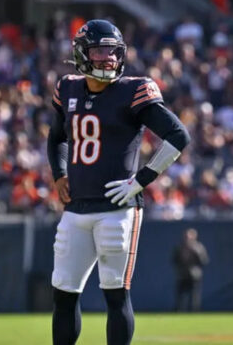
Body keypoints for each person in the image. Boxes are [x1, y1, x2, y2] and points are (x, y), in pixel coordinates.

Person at [48, 19, 191, 345]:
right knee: (64, 294)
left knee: (115, 294)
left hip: (118, 208)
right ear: (83, 53)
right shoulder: (67, 87)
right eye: (100, 50)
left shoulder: (133, 90)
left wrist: (142, 179)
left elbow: (178, 135)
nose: (108, 58)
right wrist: (59, 174)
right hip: (76, 207)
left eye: (113, 51)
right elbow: (56, 137)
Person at [172, 228, 209, 312]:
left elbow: (204, 261)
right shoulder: (180, 248)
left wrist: (196, 254)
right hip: (183, 275)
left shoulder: (198, 248)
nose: (188, 239)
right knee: (180, 295)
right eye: (186, 236)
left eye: (190, 237)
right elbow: (175, 260)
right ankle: (179, 311)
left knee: (194, 296)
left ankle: (195, 311)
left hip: (194, 275)